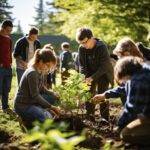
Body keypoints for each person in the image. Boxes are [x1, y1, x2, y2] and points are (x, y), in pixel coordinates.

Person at [93, 56, 150, 145]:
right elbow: (123, 89)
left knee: (126, 134)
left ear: (124, 73)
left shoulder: (138, 80)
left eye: (123, 80)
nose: (123, 82)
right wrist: (105, 95)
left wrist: (119, 126)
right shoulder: (142, 71)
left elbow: (131, 108)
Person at [14, 47, 60, 127]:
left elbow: (41, 88)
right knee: (47, 118)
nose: (48, 69)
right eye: (48, 66)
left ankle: (39, 111)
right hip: (24, 105)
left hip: (32, 102)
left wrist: (53, 93)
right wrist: (51, 107)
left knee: (53, 98)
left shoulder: (40, 71)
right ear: (41, 62)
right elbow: (35, 95)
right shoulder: (32, 73)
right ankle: (24, 118)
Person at [94, 37, 146, 106]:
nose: (118, 60)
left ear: (127, 54)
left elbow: (125, 88)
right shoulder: (131, 65)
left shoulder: (137, 67)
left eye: (119, 56)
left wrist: (105, 95)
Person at [76, 27, 114, 120]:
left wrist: (92, 78)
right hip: (89, 73)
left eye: (85, 42)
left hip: (103, 73)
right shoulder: (81, 48)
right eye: (81, 43)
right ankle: (90, 117)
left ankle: (104, 118)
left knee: (102, 94)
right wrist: (84, 76)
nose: (83, 45)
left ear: (91, 38)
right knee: (88, 94)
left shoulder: (101, 47)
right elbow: (82, 65)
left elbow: (104, 67)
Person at [0, 20, 14, 114]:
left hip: (8, 67)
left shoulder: (9, 39)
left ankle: (5, 107)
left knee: (7, 88)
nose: (9, 32)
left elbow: (9, 52)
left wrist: (10, 62)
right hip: (0, 68)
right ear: (2, 27)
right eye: (8, 30)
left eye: (10, 31)